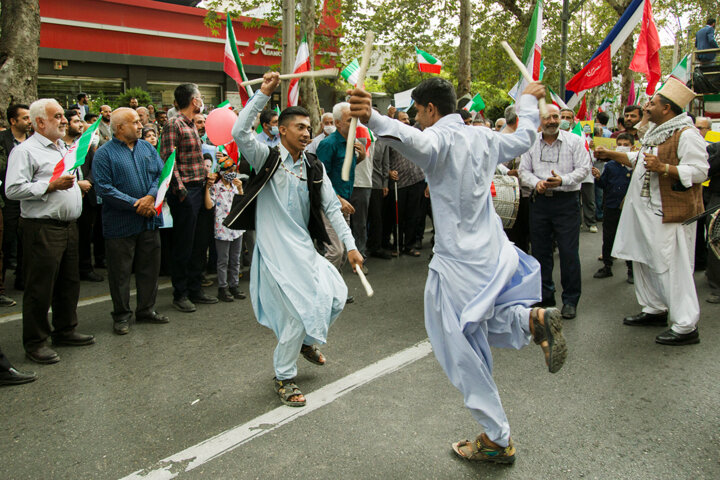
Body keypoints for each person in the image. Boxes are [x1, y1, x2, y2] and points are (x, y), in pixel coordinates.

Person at [349, 77, 567, 464]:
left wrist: (375, 118)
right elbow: (524, 139)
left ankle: (497, 438)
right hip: (491, 252)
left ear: (431, 109)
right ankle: (528, 320)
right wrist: (530, 106)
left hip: (457, 261)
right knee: (474, 324)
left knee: (457, 344)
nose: (417, 119)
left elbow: (415, 140)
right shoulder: (484, 137)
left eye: (417, 111)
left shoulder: (440, 141)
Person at [227, 72, 363, 407]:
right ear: (281, 130)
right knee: (295, 314)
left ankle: (303, 342)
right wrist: (262, 94)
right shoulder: (267, 157)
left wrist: (352, 246)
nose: (306, 133)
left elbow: (332, 209)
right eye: (299, 127)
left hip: (304, 250)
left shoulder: (314, 167)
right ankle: (284, 377)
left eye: (308, 128)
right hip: (275, 254)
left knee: (336, 296)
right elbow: (238, 132)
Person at [596, 79, 709, 345]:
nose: (647, 106)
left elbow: (700, 171)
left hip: (669, 213)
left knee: (671, 266)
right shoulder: (657, 132)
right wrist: (610, 154)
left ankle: (685, 325)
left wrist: (665, 168)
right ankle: (655, 308)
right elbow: (639, 159)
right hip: (644, 212)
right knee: (643, 260)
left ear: (667, 109)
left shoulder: (686, 134)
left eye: (653, 103)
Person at [6, 98, 95, 364]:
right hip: (42, 227)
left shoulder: (62, 148)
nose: (64, 120)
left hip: (68, 226)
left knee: (69, 281)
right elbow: (12, 189)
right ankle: (35, 342)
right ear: (40, 122)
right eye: (57, 116)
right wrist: (50, 186)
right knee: (40, 287)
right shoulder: (25, 151)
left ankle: (65, 330)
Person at [92, 108, 169, 335]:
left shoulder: (146, 147)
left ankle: (146, 309)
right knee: (120, 273)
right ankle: (121, 315)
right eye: (134, 122)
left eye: (139, 121)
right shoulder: (104, 154)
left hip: (149, 221)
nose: (140, 126)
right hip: (120, 224)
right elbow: (104, 188)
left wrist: (150, 197)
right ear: (119, 128)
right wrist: (137, 204)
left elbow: (159, 174)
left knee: (149, 268)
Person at [519, 104, 591, 319]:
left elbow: (584, 169)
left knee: (569, 253)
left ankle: (570, 300)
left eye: (555, 117)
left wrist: (563, 180)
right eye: (546, 117)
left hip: (566, 202)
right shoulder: (531, 142)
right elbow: (524, 171)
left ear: (560, 118)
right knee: (540, 253)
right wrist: (537, 183)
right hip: (539, 202)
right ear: (539, 121)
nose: (551, 121)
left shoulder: (575, 141)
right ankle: (545, 298)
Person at [160, 83, 218, 312]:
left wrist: (207, 176)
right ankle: (180, 293)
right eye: (200, 97)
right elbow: (168, 159)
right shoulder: (173, 124)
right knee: (184, 244)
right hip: (186, 193)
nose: (202, 100)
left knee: (199, 243)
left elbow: (194, 158)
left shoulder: (192, 125)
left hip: (201, 189)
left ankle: (196, 289)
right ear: (194, 101)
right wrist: (180, 190)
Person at [316, 102, 366, 270]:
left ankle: (335, 292)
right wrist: (337, 199)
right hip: (330, 204)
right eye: (350, 120)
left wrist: (362, 156)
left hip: (345, 202)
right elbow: (320, 178)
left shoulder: (352, 141)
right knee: (335, 251)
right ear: (338, 123)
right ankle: (321, 290)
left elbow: (346, 167)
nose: (355, 123)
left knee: (345, 250)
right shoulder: (328, 144)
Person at [62, 109, 104, 283]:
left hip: (86, 196)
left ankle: (85, 268)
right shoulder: (59, 146)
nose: (80, 125)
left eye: (80, 121)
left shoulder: (84, 145)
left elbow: (95, 166)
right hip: (66, 196)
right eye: (75, 121)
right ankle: (68, 271)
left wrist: (88, 181)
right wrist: (75, 184)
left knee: (86, 235)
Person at [592, 133, 635, 283]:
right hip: (611, 206)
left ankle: (631, 269)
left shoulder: (634, 166)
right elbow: (603, 184)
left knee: (629, 238)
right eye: (620, 144)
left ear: (632, 147)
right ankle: (607, 265)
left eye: (626, 144)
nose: (622, 147)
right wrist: (598, 178)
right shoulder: (610, 165)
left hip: (629, 207)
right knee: (609, 236)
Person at [204, 158, 246, 302]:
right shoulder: (216, 187)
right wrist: (207, 189)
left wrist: (240, 189)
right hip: (222, 228)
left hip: (237, 227)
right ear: (221, 172)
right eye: (229, 171)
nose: (232, 174)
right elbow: (209, 206)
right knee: (223, 260)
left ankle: (234, 286)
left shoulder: (235, 186)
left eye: (234, 171)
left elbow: (242, 204)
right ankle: (223, 288)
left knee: (235, 259)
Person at [0, 103, 31, 300]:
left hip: (29, 198)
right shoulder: (2, 140)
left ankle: (22, 279)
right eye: (25, 118)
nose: (29, 122)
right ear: (13, 121)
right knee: (6, 242)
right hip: (8, 199)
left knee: (26, 242)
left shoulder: (34, 141)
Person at [388, 111, 426, 256]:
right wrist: (389, 171)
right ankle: (397, 245)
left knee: (413, 215)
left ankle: (409, 245)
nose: (406, 122)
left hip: (416, 179)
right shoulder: (390, 138)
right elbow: (384, 159)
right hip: (399, 183)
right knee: (398, 216)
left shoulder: (414, 136)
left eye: (407, 119)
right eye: (403, 119)